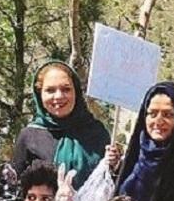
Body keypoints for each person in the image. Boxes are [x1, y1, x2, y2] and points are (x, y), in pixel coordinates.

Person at [11, 60, 110, 189]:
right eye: (50, 90)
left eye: (66, 89)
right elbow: (16, 188)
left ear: (76, 92)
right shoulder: (29, 136)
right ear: (39, 95)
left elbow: (110, 183)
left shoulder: (97, 132)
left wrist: (114, 166)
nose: (58, 96)